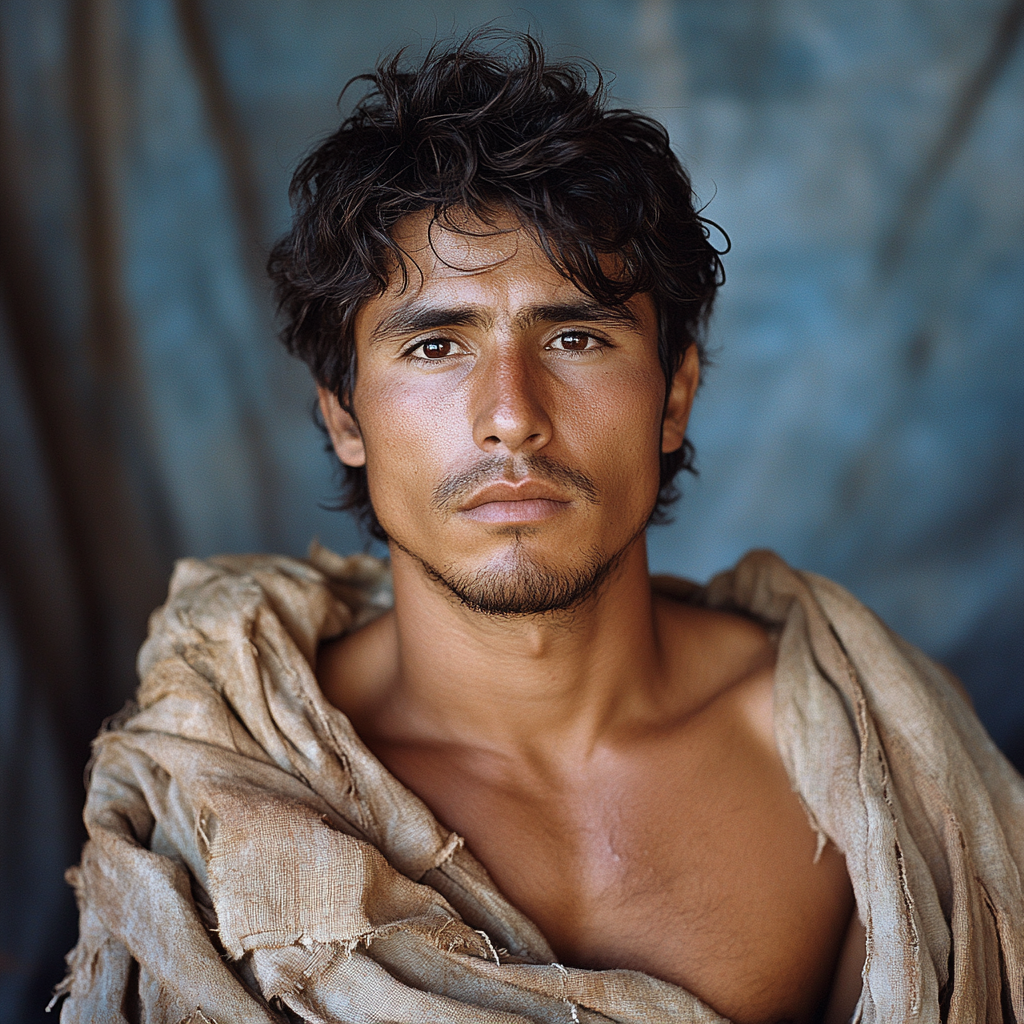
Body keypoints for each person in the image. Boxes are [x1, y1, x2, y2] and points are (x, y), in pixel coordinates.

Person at [56, 33, 1023, 1024]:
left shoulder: (861, 755)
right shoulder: (229, 782)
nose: (511, 413)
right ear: (344, 417)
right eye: (436, 345)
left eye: (573, 337)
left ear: (675, 395)